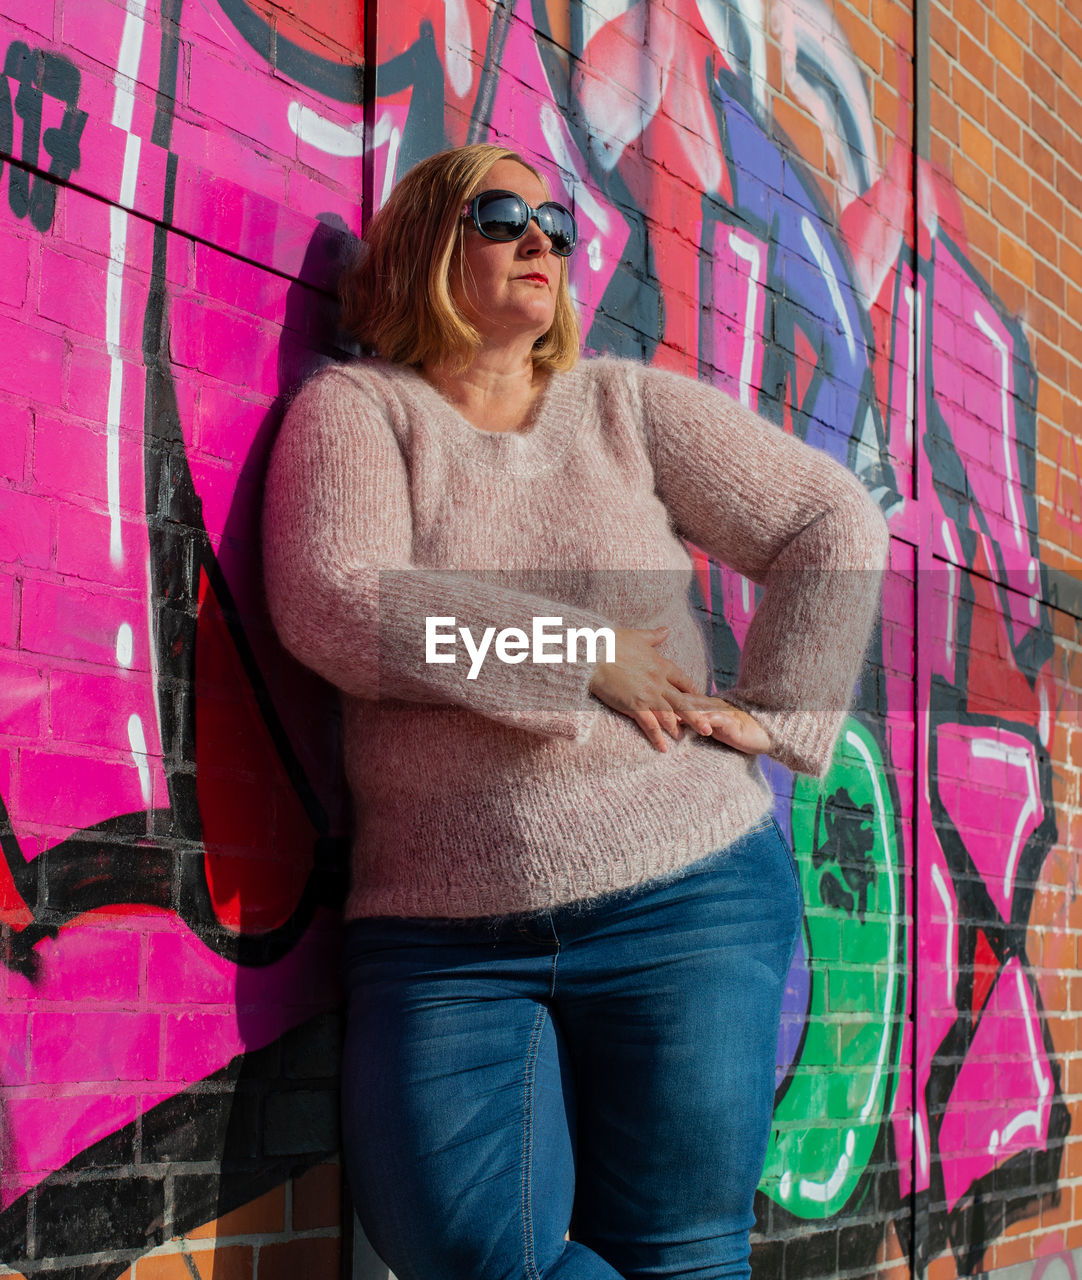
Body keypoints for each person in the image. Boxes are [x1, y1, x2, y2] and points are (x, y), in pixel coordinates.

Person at [262, 143, 889, 1280]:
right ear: (423, 245)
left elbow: (830, 521)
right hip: (442, 933)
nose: (541, 239)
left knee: (679, 1250)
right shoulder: (359, 413)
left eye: (554, 221)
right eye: (502, 216)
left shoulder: (623, 406)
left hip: (686, 893)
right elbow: (335, 600)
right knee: (467, 1250)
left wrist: (784, 710)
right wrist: (577, 651)